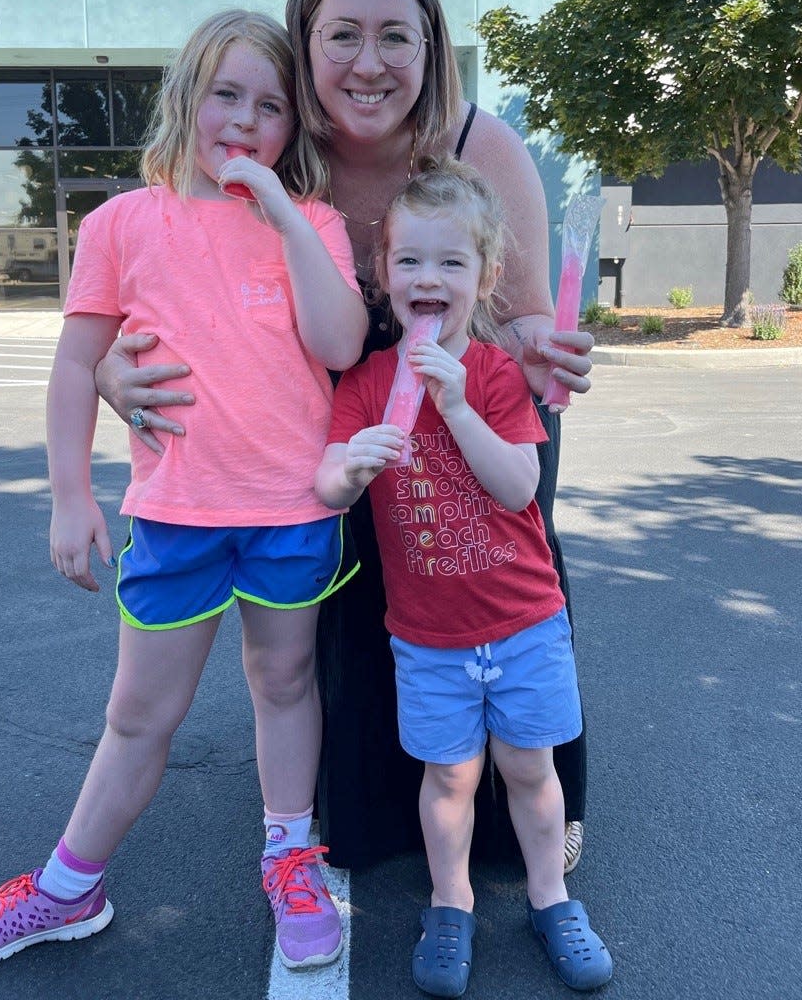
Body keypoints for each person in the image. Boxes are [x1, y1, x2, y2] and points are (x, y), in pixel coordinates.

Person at [93, 0, 594, 874]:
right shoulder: (283, 149)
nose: (370, 63)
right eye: (343, 36)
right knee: (358, 600)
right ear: (305, 43)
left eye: (396, 37)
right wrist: (107, 376)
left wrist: (542, 342)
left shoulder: (478, 145)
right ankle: (375, 803)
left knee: (503, 583)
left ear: (433, 47)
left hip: (473, 403)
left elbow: (525, 313)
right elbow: (180, 288)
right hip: (338, 408)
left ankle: (544, 793)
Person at [0, 10, 368, 974]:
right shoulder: (124, 223)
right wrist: (69, 493)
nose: (245, 123)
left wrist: (284, 210)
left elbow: (338, 344)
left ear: (294, 128)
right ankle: (65, 887)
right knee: (139, 716)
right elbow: (76, 361)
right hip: (174, 515)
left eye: (271, 107)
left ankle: (291, 854)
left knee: (284, 684)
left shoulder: (316, 224)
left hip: (291, 512)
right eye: (226, 96)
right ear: (185, 99)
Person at [314, 157, 612, 996]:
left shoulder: (492, 375)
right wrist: (348, 471)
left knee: (530, 768)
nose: (428, 277)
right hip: (428, 634)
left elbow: (520, 486)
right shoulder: (368, 385)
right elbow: (327, 480)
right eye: (409, 261)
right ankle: (451, 901)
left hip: (524, 622)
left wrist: (453, 404)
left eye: (451, 262)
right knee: (448, 776)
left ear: (484, 279)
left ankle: (551, 897)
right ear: (383, 277)